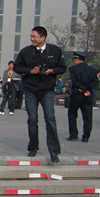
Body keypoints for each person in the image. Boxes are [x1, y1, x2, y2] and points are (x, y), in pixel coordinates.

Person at [14, 26, 66, 162]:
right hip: (31, 89)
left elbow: (62, 68)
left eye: (34, 37)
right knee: (32, 119)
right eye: (31, 36)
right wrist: (30, 71)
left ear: (43, 38)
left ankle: (54, 151)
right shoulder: (25, 52)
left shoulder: (55, 50)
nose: (32, 39)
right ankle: (33, 147)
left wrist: (52, 71)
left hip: (47, 89)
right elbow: (17, 67)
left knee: (50, 118)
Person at [66, 52, 99, 142]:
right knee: (87, 116)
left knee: (72, 114)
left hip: (77, 94)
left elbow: (74, 81)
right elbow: (95, 82)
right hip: (88, 95)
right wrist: (86, 89)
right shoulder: (92, 70)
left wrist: (81, 89)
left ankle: (73, 135)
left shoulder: (73, 69)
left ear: (77, 59)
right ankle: (86, 136)